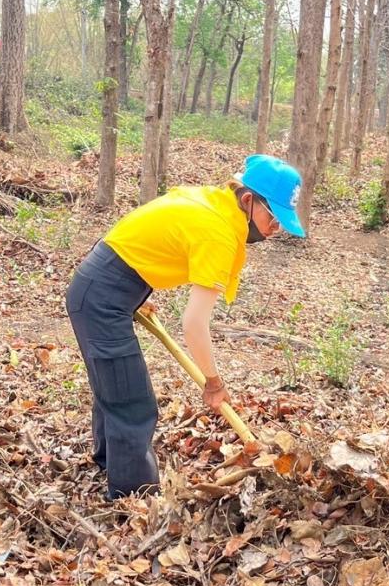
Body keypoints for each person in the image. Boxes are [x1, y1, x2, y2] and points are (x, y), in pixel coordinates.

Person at [65, 155, 307, 500]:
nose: (276, 227)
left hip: (107, 283)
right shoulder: (219, 232)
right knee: (132, 402)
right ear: (248, 200)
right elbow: (194, 323)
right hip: (102, 297)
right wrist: (213, 382)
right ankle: (134, 498)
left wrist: (135, 291)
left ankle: (110, 463)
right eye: (273, 216)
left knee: (115, 387)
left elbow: (140, 235)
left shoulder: (214, 203)